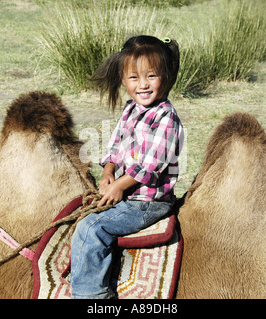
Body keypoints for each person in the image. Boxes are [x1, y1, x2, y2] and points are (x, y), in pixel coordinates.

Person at [70, 35, 184, 299]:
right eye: (134, 78)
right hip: (128, 192)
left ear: (165, 77)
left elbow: (151, 166)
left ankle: (93, 297)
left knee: (92, 228)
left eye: (151, 76)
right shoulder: (130, 109)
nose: (142, 85)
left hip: (147, 201)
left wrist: (121, 185)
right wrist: (108, 173)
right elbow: (114, 146)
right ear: (123, 79)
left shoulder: (166, 118)